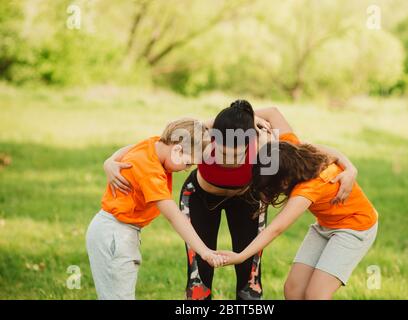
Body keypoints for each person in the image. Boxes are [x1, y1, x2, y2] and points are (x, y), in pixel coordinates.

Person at [104, 100, 358, 300]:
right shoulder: (203, 133)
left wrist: (350, 168)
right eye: (221, 151)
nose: (227, 158)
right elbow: (152, 145)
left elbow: (310, 151)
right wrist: (110, 161)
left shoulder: (264, 140)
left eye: (235, 154)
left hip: (246, 200)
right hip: (201, 197)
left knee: (249, 281)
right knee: (199, 282)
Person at [218, 115, 378, 300]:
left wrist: (240, 256)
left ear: (285, 181)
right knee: (293, 291)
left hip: (355, 228)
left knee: (316, 295)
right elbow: (272, 111)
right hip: (326, 226)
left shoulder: (309, 189)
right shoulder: (291, 152)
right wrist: (244, 119)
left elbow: (275, 229)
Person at [86, 118, 227, 300]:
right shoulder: (150, 172)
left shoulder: (155, 144)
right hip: (115, 235)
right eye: (188, 163)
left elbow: (130, 148)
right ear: (177, 149)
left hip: (115, 231)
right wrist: (204, 251)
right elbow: (174, 216)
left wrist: (111, 160)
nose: (187, 169)